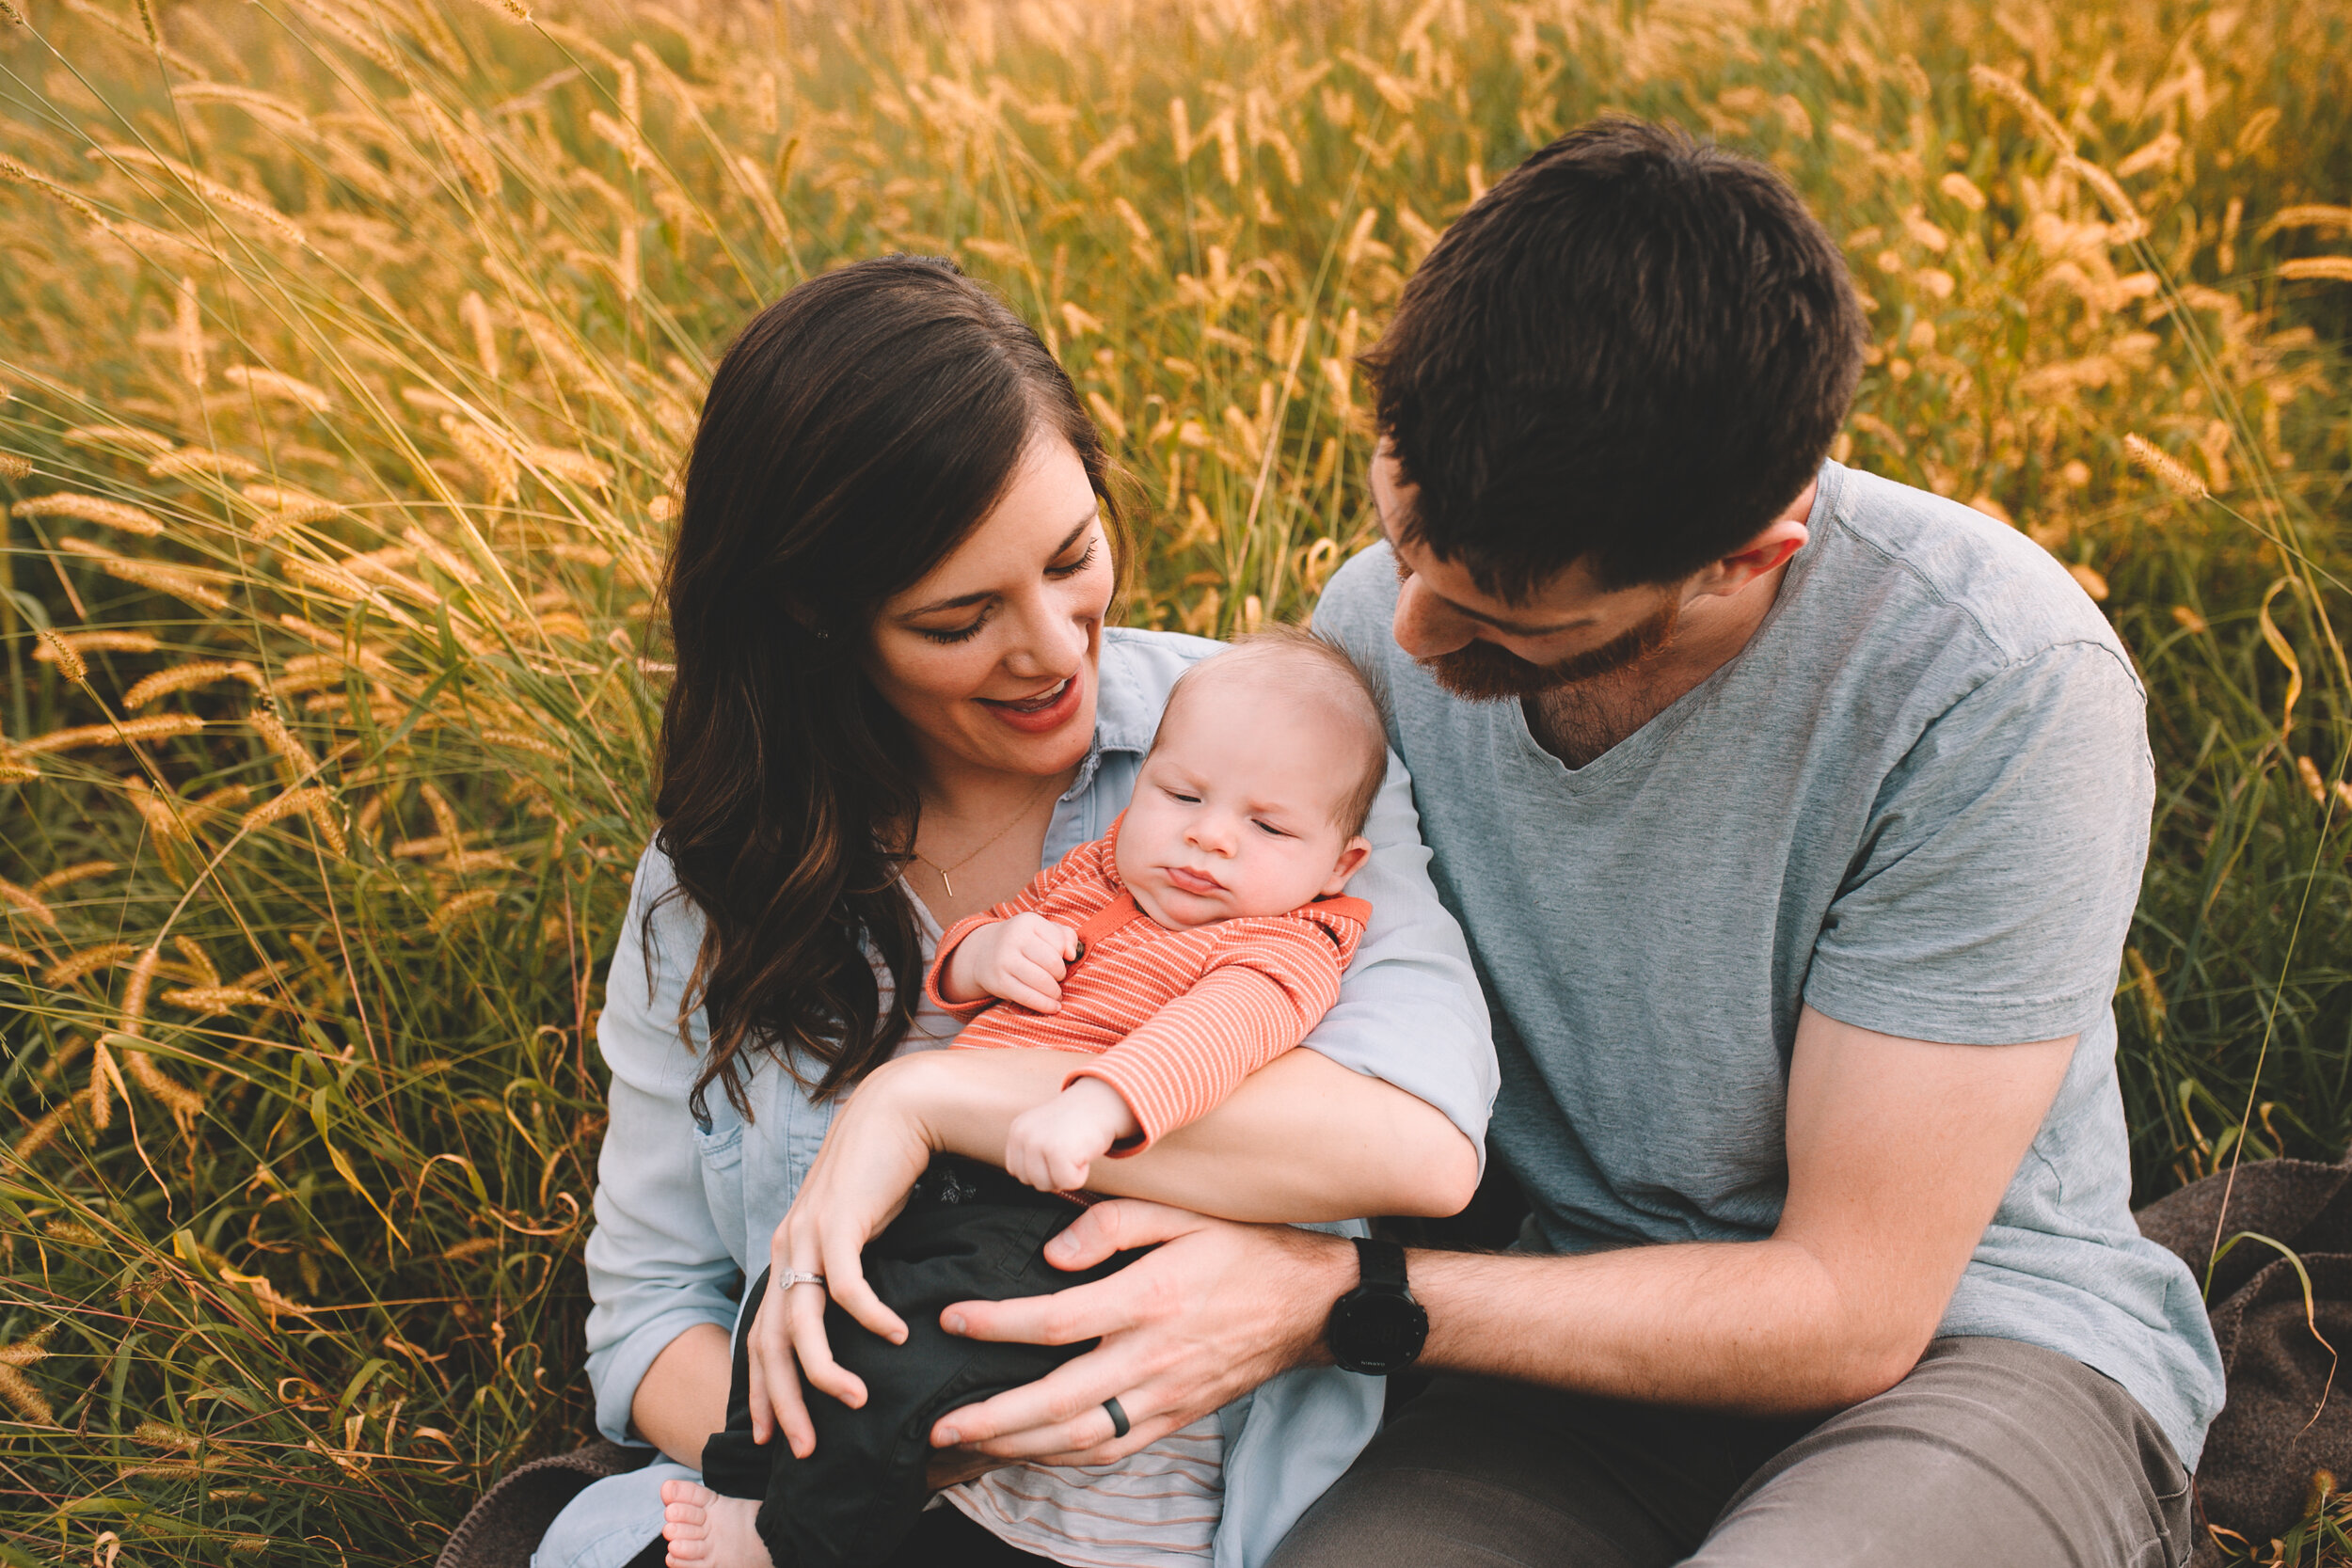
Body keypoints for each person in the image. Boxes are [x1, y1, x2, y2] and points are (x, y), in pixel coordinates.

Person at [803, 120, 2225, 1567]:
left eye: (1506, 622)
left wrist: (1334, 1294)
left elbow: (1853, 1307)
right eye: (1403, 541)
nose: (1410, 635)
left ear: (1748, 554)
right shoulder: (1379, 619)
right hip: (1556, 1355)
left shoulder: (1991, 686)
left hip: (1972, 1352)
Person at [530, 254, 1497, 1568]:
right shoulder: (725, 869)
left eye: (1071, 556)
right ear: (822, 614)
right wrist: (849, 1465)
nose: (1050, 646)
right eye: (960, 615)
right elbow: (646, 1316)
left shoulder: (1271, 757)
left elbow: (1418, 1141)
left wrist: (924, 1099)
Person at [674, 631, 1392, 1564]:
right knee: (800, 1284)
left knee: (912, 1355)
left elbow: (1208, 1039)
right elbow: (973, 951)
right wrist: (984, 953)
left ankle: (802, 1542)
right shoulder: (1100, 873)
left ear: (1339, 864)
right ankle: (740, 1482)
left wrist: (1094, 1107)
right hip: (946, 1177)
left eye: (1267, 826)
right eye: (1181, 796)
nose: (1210, 835)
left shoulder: (1284, 945)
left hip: (1057, 1211)